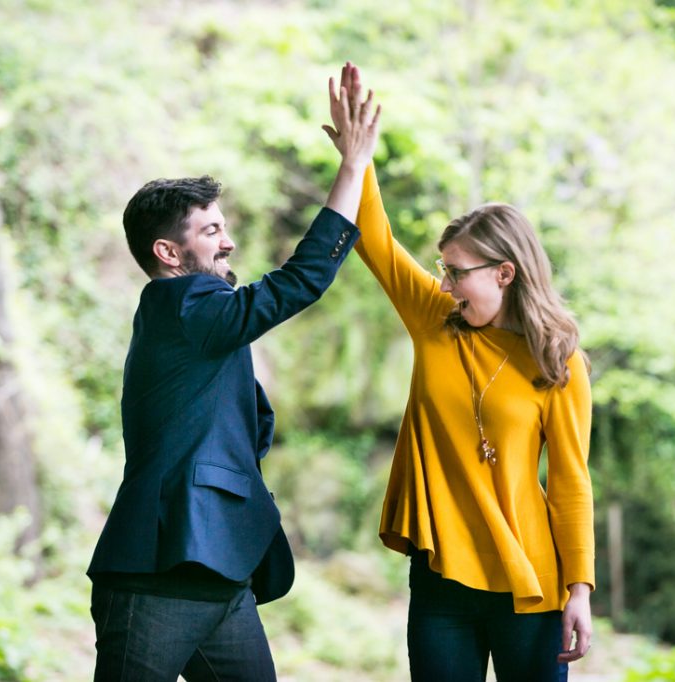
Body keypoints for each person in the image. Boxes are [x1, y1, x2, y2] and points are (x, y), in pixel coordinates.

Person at [86, 66, 381, 682]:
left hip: (217, 574)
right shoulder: (185, 304)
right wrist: (351, 168)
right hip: (156, 575)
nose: (228, 243)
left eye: (224, 227)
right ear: (168, 253)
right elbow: (299, 281)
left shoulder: (197, 324)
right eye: (210, 231)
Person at [327, 64, 594, 681]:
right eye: (442, 269)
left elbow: (572, 482)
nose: (444, 283)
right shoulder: (434, 318)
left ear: (505, 273)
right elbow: (375, 240)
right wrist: (356, 162)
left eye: (458, 271)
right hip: (442, 577)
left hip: (531, 581)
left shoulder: (558, 360)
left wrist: (579, 587)